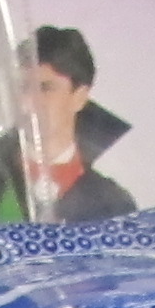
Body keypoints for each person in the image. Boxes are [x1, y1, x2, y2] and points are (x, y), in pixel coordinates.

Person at [20, 25, 136, 220]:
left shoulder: (111, 205)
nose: (28, 102)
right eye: (23, 87)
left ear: (79, 97)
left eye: (46, 88)